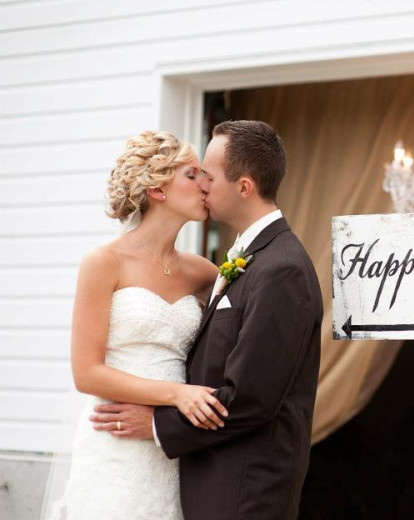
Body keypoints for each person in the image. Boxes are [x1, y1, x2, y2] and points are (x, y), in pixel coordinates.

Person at [90, 120, 324, 520]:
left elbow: (251, 398)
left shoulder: (281, 269)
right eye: (195, 175)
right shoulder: (248, 260)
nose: (202, 186)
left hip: (245, 490)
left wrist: (159, 425)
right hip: (198, 475)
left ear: (244, 187)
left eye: (209, 177)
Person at [44, 130, 227, 520]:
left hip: (170, 444)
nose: (205, 185)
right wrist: (178, 395)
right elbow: (87, 373)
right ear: (158, 190)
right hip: (116, 443)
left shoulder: (203, 272)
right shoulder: (104, 263)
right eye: (192, 175)